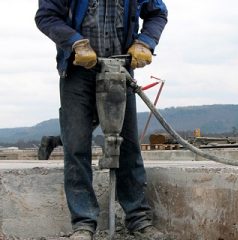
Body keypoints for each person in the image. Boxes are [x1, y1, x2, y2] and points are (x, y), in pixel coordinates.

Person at [35, 0, 168, 239]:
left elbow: (157, 12)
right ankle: (84, 223)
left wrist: (145, 42)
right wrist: (75, 42)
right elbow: (46, 16)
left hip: (120, 69)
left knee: (127, 145)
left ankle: (138, 218)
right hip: (78, 71)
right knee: (76, 146)